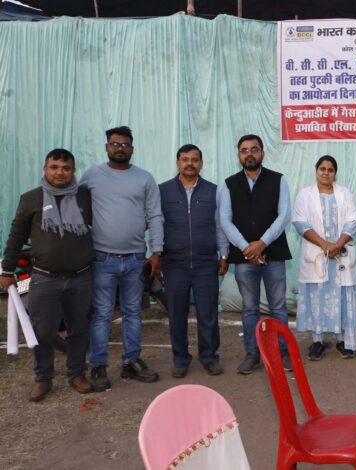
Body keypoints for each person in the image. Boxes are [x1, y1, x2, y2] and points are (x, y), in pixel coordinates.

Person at [1, 149, 95, 401]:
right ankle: (43, 379)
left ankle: (77, 374)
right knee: (42, 331)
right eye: (54, 167)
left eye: (66, 168)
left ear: (73, 171)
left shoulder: (85, 197)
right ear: (45, 169)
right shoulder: (31, 199)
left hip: (81, 277)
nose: (60, 172)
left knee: (79, 328)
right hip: (44, 278)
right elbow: (16, 236)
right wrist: (7, 270)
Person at [81, 126, 163, 390]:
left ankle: (130, 362)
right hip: (102, 259)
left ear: (132, 149)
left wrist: (157, 252)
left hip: (136, 259)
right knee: (102, 314)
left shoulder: (145, 178)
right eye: (115, 144)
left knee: (133, 313)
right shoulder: (92, 175)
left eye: (125, 144)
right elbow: (76, 207)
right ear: (107, 147)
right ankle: (98, 366)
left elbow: (155, 216)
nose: (120, 148)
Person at [219, 134, 293, 374]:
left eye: (254, 149)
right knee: (249, 308)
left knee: (278, 306)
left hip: (274, 253)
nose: (249, 154)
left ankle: (282, 352)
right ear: (239, 154)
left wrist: (262, 243)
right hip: (244, 257)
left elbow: (284, 216)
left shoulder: (278, 180)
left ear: (262, 152)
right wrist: (247, 248)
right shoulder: (229, 184)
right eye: (244, 150)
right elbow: (225, 220)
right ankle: (253, 354)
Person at [159, 144, 229, 378]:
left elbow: (219, 226)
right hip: (174, 264)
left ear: (201, 163)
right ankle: (180, 358)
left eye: (194, 159)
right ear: (177, 162)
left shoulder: (213, 191)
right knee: (177, 314)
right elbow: (156, 224)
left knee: (208, 314)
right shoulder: (163, 191)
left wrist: (223, 254)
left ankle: (209, 357)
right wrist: (156, 252)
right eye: (185, 159)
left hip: (205, 263)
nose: (190, 163)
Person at [292, 155, 356, 360]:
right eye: (322, 169)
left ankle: (343, 340)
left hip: (340, 255)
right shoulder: (305, 195)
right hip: (317, 254)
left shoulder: (345, 194)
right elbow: (300, 223)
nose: (326, 173)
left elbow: (353, 220)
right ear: (316, 171)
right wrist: (325, 246)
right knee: (317, 297)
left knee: (342, 296)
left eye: (330, 170)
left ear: (335, 173)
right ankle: (318, 341)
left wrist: (337, 245)